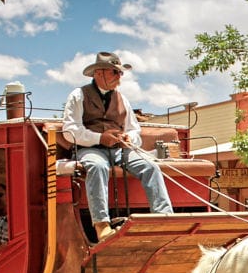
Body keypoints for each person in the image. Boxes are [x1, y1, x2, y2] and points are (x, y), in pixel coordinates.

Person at [61, 51, 173, 241]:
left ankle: (165, 218)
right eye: (114, 72)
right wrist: (99, 138)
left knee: (150, 167)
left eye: (120, 73)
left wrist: (128, 138)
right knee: (97, 166)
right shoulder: (78, 96)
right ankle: (101, 225)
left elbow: (134, 130)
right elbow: (70, 131)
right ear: (98, 73)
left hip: (120, 150)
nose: (119, 77)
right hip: (91, 149)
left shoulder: (123, 99)